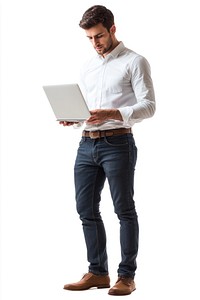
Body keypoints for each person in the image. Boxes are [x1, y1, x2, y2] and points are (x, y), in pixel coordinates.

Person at [60, 5, 155, 296]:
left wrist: (112, 113)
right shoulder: (88, 66)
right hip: (86, 144)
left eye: (99, 36)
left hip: (118, 144)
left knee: (124, 210)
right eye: (89, 38)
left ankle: (126, 276)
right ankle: (98, 272)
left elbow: (149, 106)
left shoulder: (134, 61)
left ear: (112, 29)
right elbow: (88, 111)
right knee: (85, 210)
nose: (95, 43)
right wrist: (73, 118)